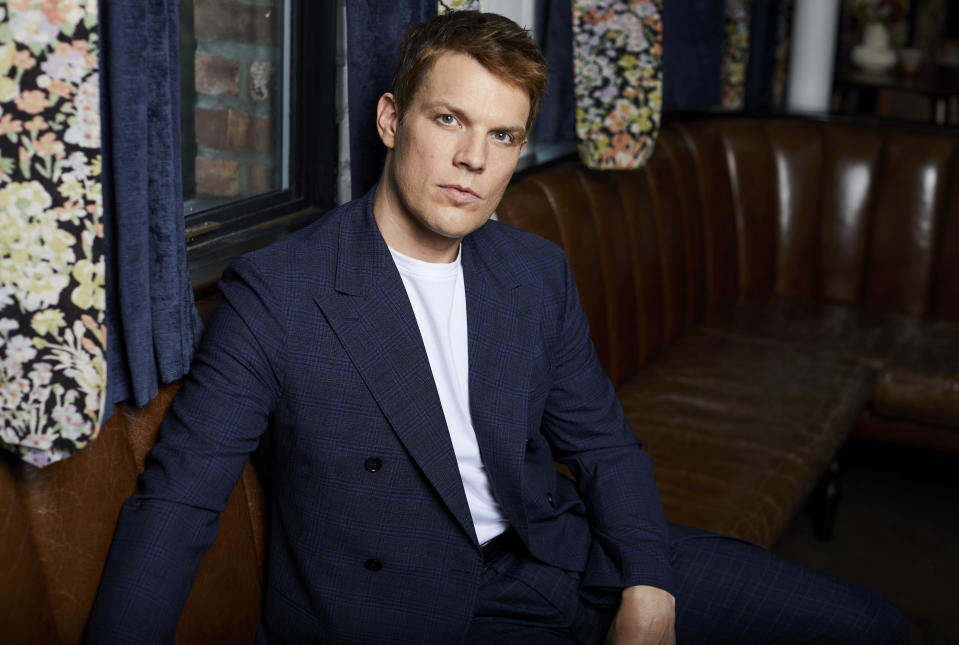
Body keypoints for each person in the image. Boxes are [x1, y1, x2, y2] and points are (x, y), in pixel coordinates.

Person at [86, 11, 908, 644]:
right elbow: (180, 501)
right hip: (407, 611)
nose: (473, 159)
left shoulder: (531, 271)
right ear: (389, 119)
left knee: (870, 627)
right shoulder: (280, 290)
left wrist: (646, 585)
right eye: (449, 120)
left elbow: (602, 446)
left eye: (502, 134)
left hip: (559, 560)